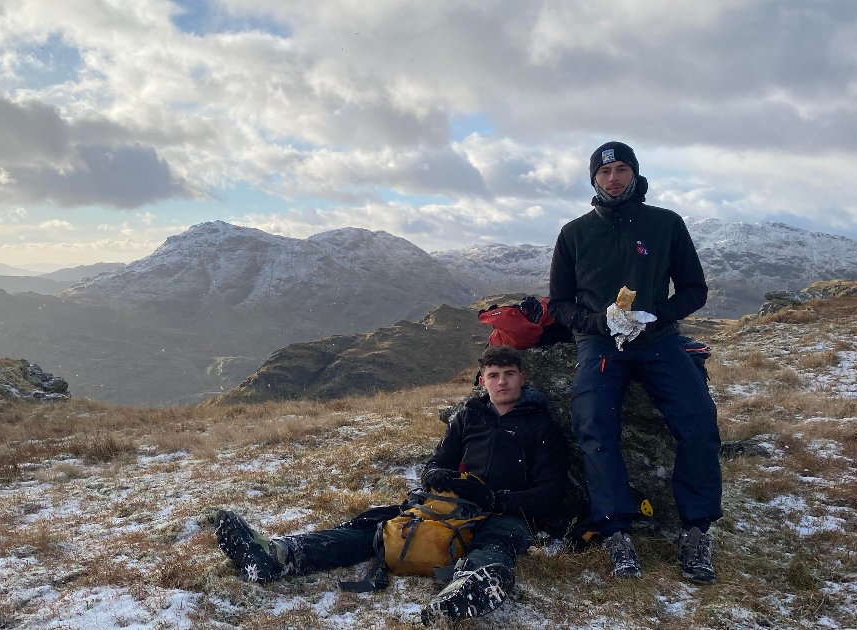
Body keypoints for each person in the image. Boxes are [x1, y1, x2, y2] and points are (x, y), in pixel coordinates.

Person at [214, 345, 570, 625]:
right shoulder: (467, 417)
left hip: (505, 514)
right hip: (450, 507)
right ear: (482, 381)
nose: (502, 381)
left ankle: (471, 587)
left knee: (497, 541)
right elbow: (439, 460)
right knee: (375, 527)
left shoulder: (542, 427)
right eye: (494, 375)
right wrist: (434, 474)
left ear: (523, 378)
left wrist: (496, 498)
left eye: (509, 374)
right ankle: (278, 556)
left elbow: (552, 494)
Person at [548, 140, 722, 584]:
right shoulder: (574, 233)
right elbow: (560, 303)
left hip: (659, 340)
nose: (613, 178)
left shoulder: (665, 224)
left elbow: (693, 289)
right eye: (604, 173)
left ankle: (697, 528)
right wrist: (597, 324)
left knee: (698, 419)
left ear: (634, 174)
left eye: (621, 169)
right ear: (594, 180)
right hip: (600, 345)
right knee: (594, 426)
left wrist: (656, 315)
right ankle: (616, 529)